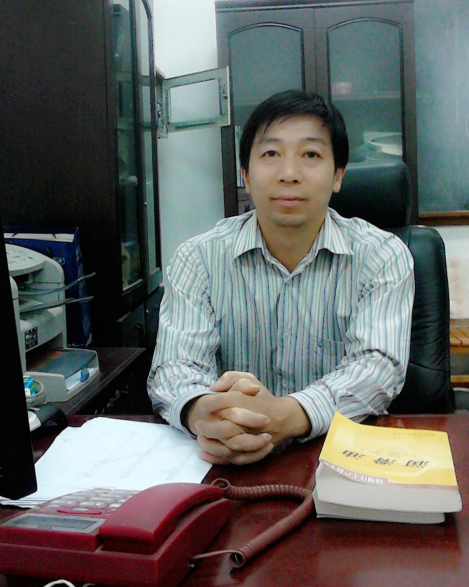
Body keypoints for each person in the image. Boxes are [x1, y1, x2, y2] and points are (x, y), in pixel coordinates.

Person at [147, 90, 415, 466]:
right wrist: (204, 412)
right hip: (225, 464)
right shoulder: (198, 259)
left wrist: (290, 416)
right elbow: (174, 367)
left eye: (311, 155)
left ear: (338, 175)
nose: (289, 174)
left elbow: (377, 367)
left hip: (338, 462)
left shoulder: (382, 256)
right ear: (245, 174)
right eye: (271, 154)